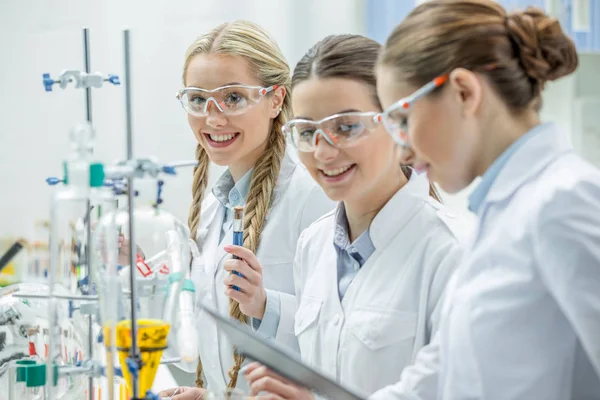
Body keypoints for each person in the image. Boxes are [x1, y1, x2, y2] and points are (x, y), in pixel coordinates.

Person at [369, 1, 600, 399]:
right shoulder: (499, 211)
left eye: (404, 121)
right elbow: (441, 372)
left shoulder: (562, 201)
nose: (402, 152)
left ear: (464, 91)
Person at [243, 34, 468, 399]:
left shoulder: (452, 252)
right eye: (306, 131)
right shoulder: (313, 245)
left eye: (345, 127)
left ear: (398, 122)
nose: (322, 152)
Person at [157, 20, 335, 399]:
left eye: (233, 97)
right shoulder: (213, 206)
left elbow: (337, 337)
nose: (213, 117)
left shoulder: (314, 195)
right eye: (198, 99)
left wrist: (265, 304)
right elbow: (216, 344)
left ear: (275, 99)